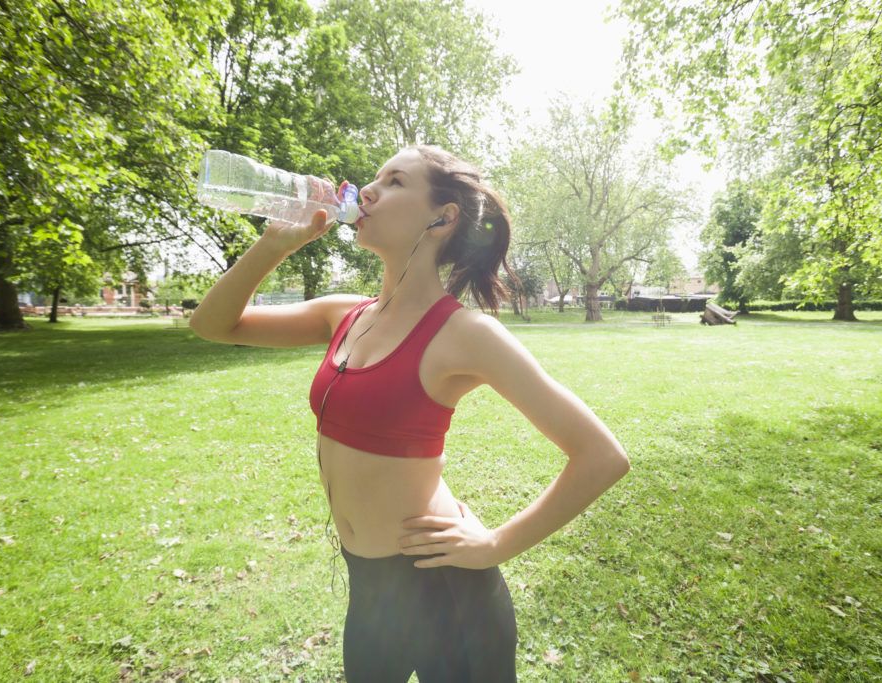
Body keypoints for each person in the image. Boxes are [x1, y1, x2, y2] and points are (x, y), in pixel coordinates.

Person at [189, 145, 630, 682]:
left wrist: (495, 544)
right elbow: (213, 325)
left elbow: (602, 456)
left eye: (395, 181)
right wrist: (271, 246)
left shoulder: (466, 334)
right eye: (373, 179)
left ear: (442, 218)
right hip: (370, 589)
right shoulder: (341, 314)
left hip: (444, 589)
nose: (367, 191)